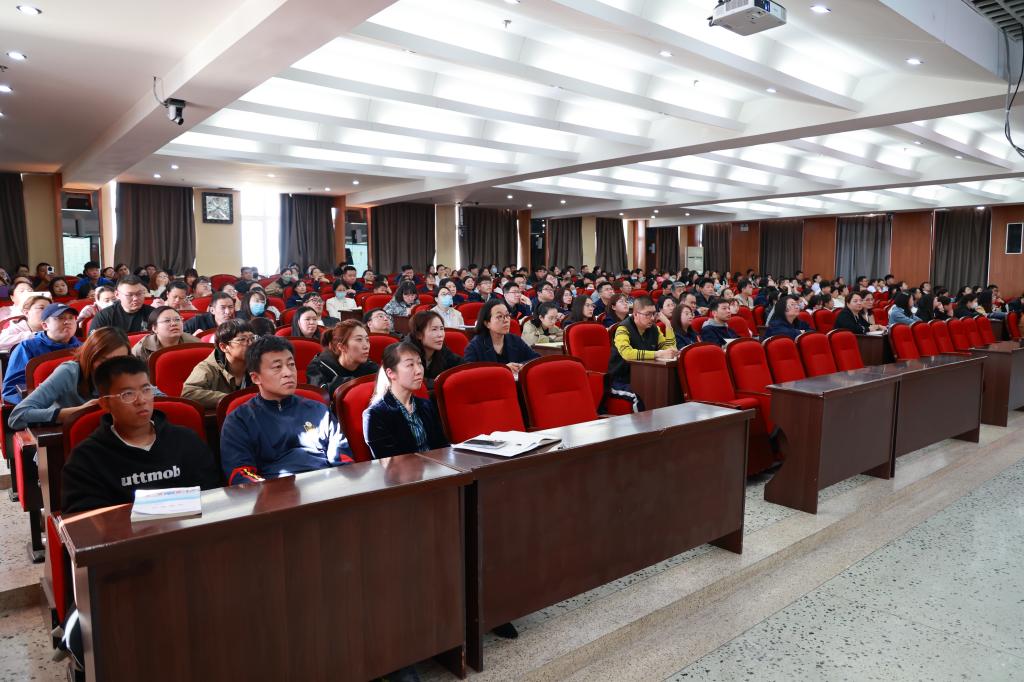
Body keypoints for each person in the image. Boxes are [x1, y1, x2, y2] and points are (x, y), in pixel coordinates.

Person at [60, 356, 222, 514]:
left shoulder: (186, 441)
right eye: (128, 394)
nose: (141, 400)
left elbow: (212, 496)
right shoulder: (87, 457)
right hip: (124, 532)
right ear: (105, 403)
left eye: (146, 390)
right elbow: (86, 519)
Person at [220, 335, 353, 484]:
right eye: (277, 367)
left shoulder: (319, 410)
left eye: (291, 364)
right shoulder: (239, 419)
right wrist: (270, 490)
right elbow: (240, 473)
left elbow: (343, 458)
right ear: (256, 378)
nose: (288, 373)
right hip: (274, 491)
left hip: (326, 485)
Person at [9, 328, 133, 429]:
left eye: (119, 361)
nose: (111, 368)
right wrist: (79, 412)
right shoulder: (69, 372)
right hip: (73, 443)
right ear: (90, 356)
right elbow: (17, 416)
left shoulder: (130, 372)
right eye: (103, 360)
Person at [364, 342, 450, 459]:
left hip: (437, 467)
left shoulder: (426, 405)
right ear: (391, 373)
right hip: (406, 470)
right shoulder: (375, 414)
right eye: (410, 365)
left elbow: (443, 447)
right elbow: (389, 462)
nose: (419, 370)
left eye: (419, 363)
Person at [2, 303, 83, 404]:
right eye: (60, 318)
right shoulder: (27, 347)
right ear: (45, 325)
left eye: (71, 318)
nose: (67, 322)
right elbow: (11, 390)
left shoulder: (83, 347)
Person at [607, 296, 676, 412]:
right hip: (620, 380)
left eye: (654, 314)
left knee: (669, 391)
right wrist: (657, 354)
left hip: (645, 376)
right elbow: (627, 354)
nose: (652, 318)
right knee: (639, 398)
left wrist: (668, 324)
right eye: (647, 314)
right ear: (635, 314)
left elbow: (670, 350)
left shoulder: (655, 329)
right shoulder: (622, 329)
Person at [181, 320, 253, 409]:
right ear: (224, 347)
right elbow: (188, 393)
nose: (250, 343)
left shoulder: (258, 363)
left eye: (252, 338)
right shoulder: (208, 367)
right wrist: (231, 399)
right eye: (242, 339)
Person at [306, 320, 379, 396]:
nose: (366, 346)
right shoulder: (319, 366)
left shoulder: (369, 366)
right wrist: (351, 383)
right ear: (341, 347)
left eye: (367, 340)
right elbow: (318, 395)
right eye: (359, 339)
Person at [463, 299, 538, 372]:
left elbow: (536, 359)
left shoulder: (515, 340)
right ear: (487, 323)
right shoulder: (475, 347)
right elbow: (470, 373)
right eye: (499, 316)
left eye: (507, 315)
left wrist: (521, 366)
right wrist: (503, 369)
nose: (506, 320)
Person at [404, 311, 462, 390]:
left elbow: (461, 365)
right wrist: (446, 382)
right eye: (434, 329)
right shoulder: (406, 352)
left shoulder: (442, 349)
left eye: (442, 329)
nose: (440, 334)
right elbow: (416, 379)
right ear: (419, 335)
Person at [131, 307, 202, 363]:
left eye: (177, 319)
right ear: (154, 328)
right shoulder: (142, 349)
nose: (174, 324)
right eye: (167, 321)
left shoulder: (195, 344)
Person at [90, 276, 157, 333]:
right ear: (117, 295)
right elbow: (94, 342)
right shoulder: (104, 316)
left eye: (139, 293)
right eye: (129, 295)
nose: (135, 298)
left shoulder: (153, 313)